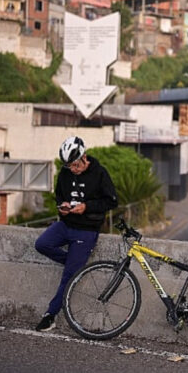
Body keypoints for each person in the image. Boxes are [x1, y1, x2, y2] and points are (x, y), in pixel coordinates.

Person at [34, 136, 118, 332]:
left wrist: (87, 207)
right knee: (42, 244)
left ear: (84, 158)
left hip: (86, 230)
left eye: (75, 165)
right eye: (69, 166)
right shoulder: (65, 173)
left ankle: (50, 315)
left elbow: (112, 201)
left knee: (68, 277)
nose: (73, 169)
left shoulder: (100, 173)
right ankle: (76, 264)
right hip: (66, 224)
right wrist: (62, 206)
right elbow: (60, 195)